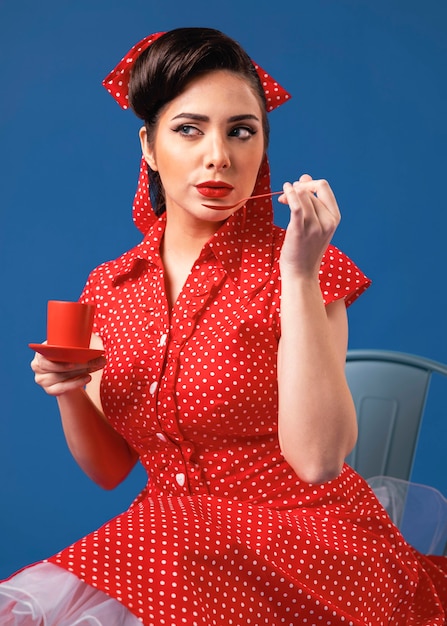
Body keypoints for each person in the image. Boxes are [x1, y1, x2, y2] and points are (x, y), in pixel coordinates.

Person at [1, 26, 446, 625]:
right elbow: (110, 472)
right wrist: (70, 390)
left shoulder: (303, 265)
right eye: (189, 129)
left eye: (242, 131)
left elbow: (318, 460)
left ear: (262, 147)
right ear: (149, 147)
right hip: (178, 553)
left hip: (310, 547)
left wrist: (299, 275)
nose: (219, 155)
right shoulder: (109, 288)